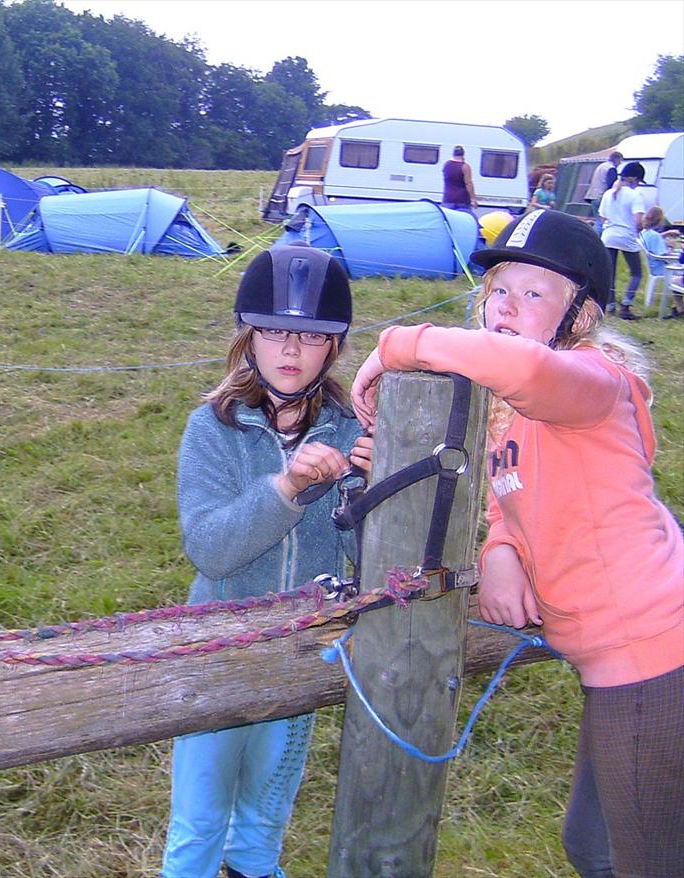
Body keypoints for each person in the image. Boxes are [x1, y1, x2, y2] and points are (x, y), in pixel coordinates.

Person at [350, 210, 684, 878]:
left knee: (643, 860)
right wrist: (499, 550)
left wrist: (392, 346)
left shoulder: (588, 379)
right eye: (499, 288)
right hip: (619, 654)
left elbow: (526, 367)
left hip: (649, 648)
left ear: (580, 317)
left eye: (534, 293)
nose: (506, 305)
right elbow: (515, 499)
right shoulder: (519, 413)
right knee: (594, 847)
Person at [162, 246, 372, 878]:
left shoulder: (353, 431)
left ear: (334, 347)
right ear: (248, 337)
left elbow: (369, 563)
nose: (292, 349)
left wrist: (371, 492)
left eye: (312, 336)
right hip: (218, 651)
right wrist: (285, 489)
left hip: (303, 650)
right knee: (199, 822)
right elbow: (209, 547)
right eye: (275, 332)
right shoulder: (213, 428)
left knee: (263, 819)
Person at [599, 161, 647, 319]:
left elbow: (603, 217)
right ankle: (626, 306)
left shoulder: (608, 193)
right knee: (637, 273)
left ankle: (610, 305)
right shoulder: (635, 195)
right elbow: (638, 221)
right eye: (638, 181)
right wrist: (640, 229)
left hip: (609, 236)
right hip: (626, 236)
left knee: (610, 273)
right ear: (634, 179)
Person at [639, 205, 677, 318]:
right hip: (661, 268)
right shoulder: (656, 237)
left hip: (652, 266)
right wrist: (671, 249)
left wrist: (665, 234)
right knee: (680, 270)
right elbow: (664, 255)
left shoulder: (644, 233)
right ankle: (679, 304)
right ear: (660, 220)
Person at [585, 151, 622, 232]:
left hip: (592, 196)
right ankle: (596, 238)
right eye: (620, 161)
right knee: (601, 222)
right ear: (616, 159)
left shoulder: (601, 166)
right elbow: (611, 186)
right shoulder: (611, 168)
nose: (620, 163)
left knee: (597, 220)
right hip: (601, 196)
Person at [441, 145, 477, 215]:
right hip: (462, 200)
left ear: (453, 154)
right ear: (463, 155)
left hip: (448, 199)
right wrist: (473, 198)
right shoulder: (465, 167)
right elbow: (468, 183)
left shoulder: (446, 164)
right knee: (464, 219)